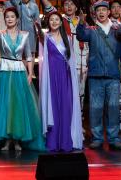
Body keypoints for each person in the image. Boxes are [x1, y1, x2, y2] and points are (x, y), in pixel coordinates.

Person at [0, 7, 44, 152]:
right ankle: (7, 139)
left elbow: (28, 56)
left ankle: (17, 140)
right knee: (5, 104)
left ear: (17, 19)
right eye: (7, 17)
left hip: (19, 72)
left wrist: (30, 73)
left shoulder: (25, 35)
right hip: (4, 72)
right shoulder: (1, 34)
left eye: (12, 16)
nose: (9, 19)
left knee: (18, 105)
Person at [73, 0, 121, 151]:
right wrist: (81, 22)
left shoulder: (117, 30)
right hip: (96, 75)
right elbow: (80, 36)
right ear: (95, 13)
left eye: (104, 10)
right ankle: (97, 138)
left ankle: (113, 138)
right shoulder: (91, 30)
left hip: (113, 75)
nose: (101, 12)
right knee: (96, 108)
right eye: (98, 10)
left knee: (113, 108)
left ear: (109, 12)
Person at [37, 12, 83, 152]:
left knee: (65, 108)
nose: (54, 22)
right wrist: (38, 29)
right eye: (51, 19)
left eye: (57, 19)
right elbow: (41, 41)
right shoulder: (46, 37)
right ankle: (52, 142)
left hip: (65, 77)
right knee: (53, 107)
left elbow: (71, 60)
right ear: (48, 22)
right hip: (51, 77)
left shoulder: (67, 38)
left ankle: (65, 141)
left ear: (61, 22)